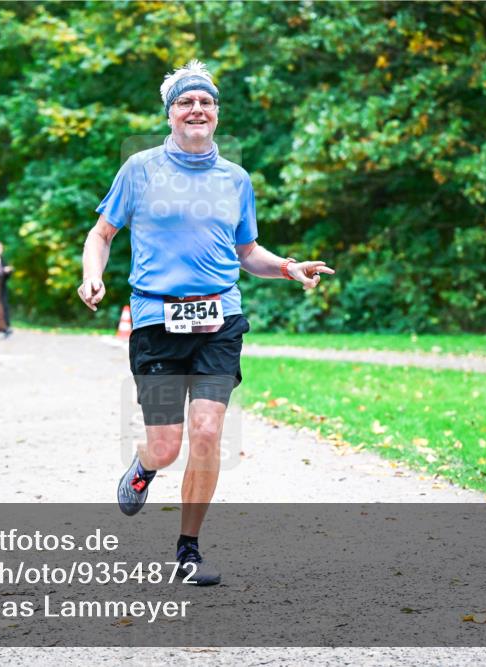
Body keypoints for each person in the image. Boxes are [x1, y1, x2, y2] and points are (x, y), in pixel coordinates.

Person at [78, 60, 334, 586]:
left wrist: (288, 267)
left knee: (209, 430)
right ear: (171, 114)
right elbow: (101, 233)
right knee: (167, 445)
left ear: (216, 113)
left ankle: (189, 550)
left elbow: (247, 252)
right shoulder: (140, 169)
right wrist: (91, 276)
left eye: (206, 103)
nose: (197, 109)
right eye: (186, 102)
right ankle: (146, 466)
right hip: (156, 317)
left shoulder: (235, 179)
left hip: (220, 316)